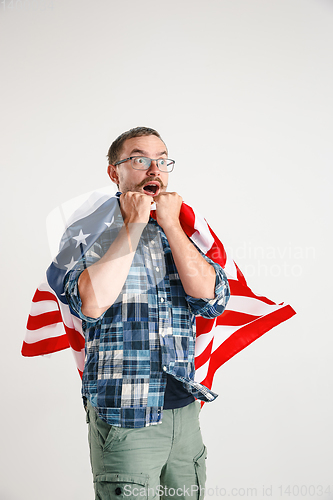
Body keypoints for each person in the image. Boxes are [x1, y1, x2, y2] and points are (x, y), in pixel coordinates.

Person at [64, 127, 230, 500]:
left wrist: (170, 223)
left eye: (162, 160)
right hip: (126, 413)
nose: (154, 169)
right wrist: (134, 222)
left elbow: (211, 299)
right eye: (140, 159)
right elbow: (90, 304)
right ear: (114, 172)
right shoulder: (88, 232)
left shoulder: (186, 229)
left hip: (184, 413)